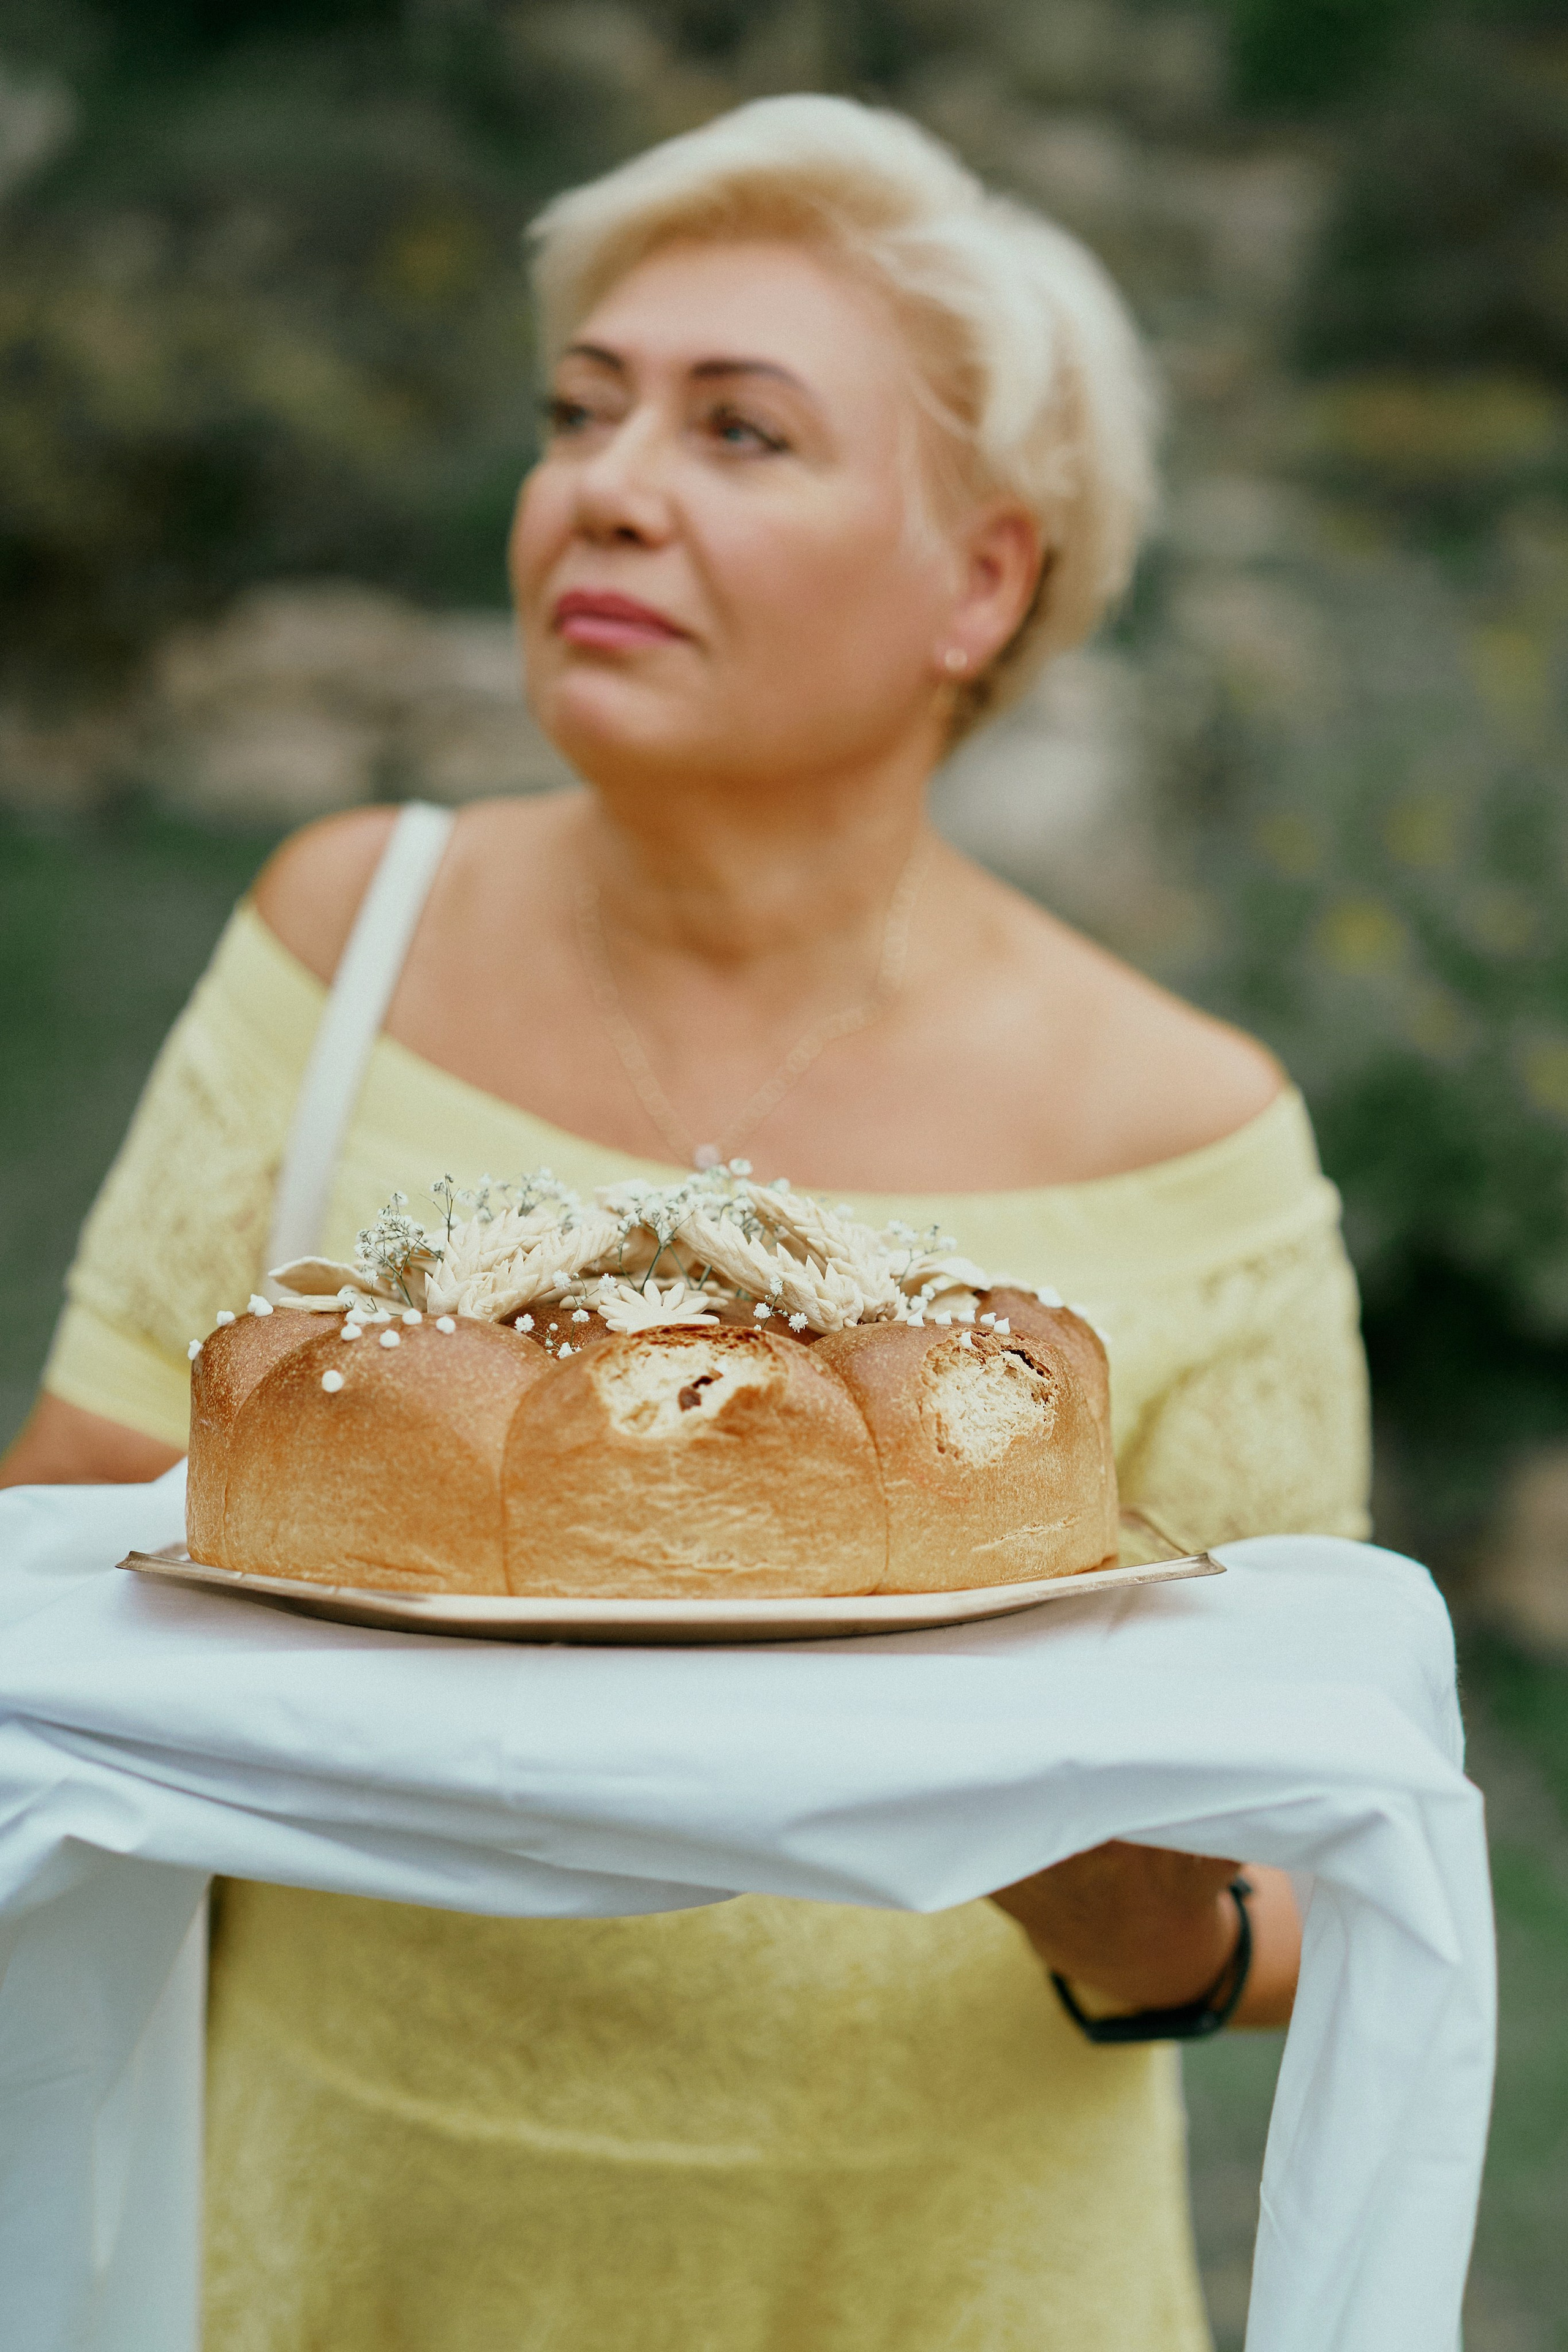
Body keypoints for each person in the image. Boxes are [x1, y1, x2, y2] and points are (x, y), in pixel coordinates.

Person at [2, 94, 1368, 2351]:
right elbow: (68, 1551)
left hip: (941, 2285)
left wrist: (1107, 1892)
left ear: (985, 582)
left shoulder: (1193, 1132)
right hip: (334, 2248)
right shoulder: (348, 928)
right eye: (579, 412)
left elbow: (1301, 1878)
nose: (604, 488)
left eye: (742, 432)